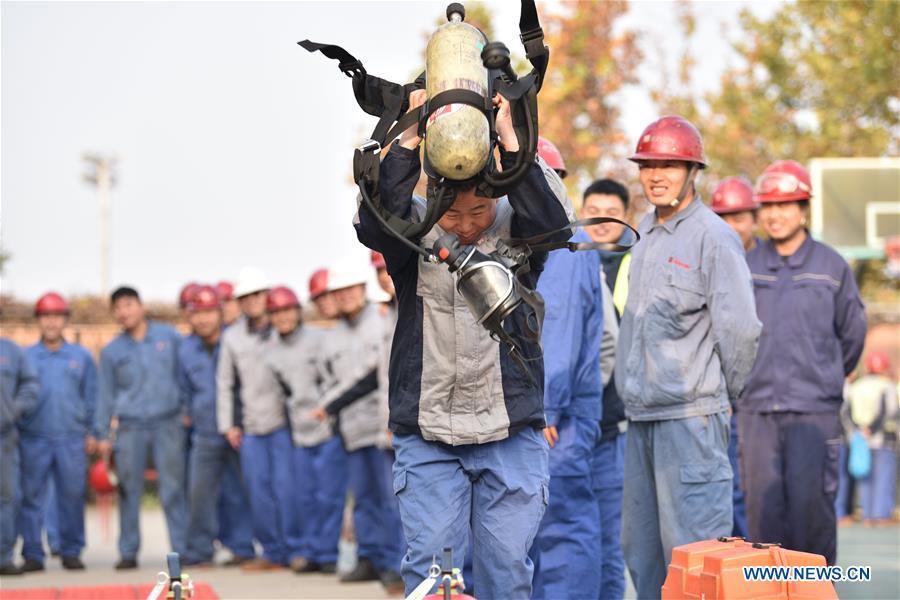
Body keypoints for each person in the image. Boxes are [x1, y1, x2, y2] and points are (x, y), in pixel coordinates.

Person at [355, 87, 573, 598]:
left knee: (507, 573)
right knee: (433, 578)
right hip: (428, 434)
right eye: (454, 215)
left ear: (496, 199)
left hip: (510, 432)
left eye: (480, 212)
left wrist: (509, 139)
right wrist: (407, 137)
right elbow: (375, 221)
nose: (468, 226)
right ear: (433, 200)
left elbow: (553, 223)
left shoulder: (518, 228)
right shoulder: (413, 234)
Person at [615, 116, 761, 598]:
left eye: (670, 165)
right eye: (648, 165)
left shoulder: (713, 237)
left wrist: (715, 398)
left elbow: (740, 332)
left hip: (691, 421)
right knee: (642, 553)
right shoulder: (643, 232)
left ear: (693, 170)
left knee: (697, 558)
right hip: (640, 419)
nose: (656, 174)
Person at [739, 159, 866, 565]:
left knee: (812, 516)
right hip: (756, 411)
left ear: (804, 209)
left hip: (814, 413)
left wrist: (823, 379)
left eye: (786, 205)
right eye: (768, 207)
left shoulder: (832, 266)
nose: (775, 215)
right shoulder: (748, 265)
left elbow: (853, 335)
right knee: (763, 518)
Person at [308, 265, 403, 592]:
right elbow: (325, 379)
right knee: (362, 499)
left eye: (352, 289)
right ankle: (368, 557)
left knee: (389, 499)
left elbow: (379, 374)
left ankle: (394, 564)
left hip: (380, 427)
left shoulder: (380, 320)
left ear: (363, 290)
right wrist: (327, 408)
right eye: (340, 291)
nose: (346, 295)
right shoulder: (328, 338)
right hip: (350, 429)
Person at [530, 226, 605, 597]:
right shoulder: (534, 236)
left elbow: (558, 324)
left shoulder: (562, 240)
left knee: (560, 526)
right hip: (544, 406)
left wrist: (547, 406)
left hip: (556, 413)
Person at [96, 286, 188, 569]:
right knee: (128, 490)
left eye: (129, 304)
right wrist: (102, 435)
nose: (124, 312)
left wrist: (186, 410)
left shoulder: (169, 337)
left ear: (140, 306)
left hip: (168, 423)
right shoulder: (112, 351)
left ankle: (181, 551)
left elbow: (184, 375)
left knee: (172, 488)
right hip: (130, 428)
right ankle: (128, 551)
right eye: (118, 308)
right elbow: (105, 394)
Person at [264, 285, 347, 574]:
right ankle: (310, 552)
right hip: (299, 434)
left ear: (297, 311)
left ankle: (327, 554)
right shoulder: (272, 354)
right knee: (304, 496)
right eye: (276, 313)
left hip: (328, 430)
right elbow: (282, 393)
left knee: (329, 495)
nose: (283, 318)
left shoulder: (319, 339)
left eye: (287, 310)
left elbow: (336, 379)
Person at [216, 266, 293, 571]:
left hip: (285, 425)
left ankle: (293, 550)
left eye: (257, 295)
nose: (252, 302)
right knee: (258, 492)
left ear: (267, 295)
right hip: (251, 427)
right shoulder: (232, 337)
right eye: (245, 297)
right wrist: (228, 425)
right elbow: (224, 383)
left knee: (286, 489)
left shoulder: (283, 328)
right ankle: (271, 552)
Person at [18, 293, 97, 571]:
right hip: (33, 437)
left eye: (57, 316)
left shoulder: (81, 357)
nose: (51, 322)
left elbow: (91, 396)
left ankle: (71, 550)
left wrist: (92, 432)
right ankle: (32, 553)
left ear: (65, 319)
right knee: (31, 498)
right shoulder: (26, 357)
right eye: (46, 316)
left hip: (71, 437)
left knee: (72, 496)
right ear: (38, 321)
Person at [179, 285, 254, 567]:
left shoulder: (235, 341)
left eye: (209, 312)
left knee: (239, 491)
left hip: (237, 429)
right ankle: (199, 550)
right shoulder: (185, 349)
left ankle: (242, 547)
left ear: (219, 313)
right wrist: (187, 412)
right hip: (204, 432)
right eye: (197, 313)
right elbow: (183, 387)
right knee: (199, 493)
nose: (203, 319)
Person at [580, 178, 631, 599]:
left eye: (610, 210)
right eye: (592, 208)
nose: (601, 218)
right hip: (569, 424)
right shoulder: (563, 259)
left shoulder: (637, 264)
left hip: (615, 423)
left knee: (610, 540)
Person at [710, 175, 759, 538]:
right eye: (724, 217)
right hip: (722, 399)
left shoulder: (768, 264)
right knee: (728, 492)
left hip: (765, 399)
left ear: (754, 219)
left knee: (759, 495)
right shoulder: (710, 256)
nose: (732, 226)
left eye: (739, 217)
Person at [0, 337, 39, 576]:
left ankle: (3, 556)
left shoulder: (12, 351)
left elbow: (30, 384)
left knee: (7, 497)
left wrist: (13, 410)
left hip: (4, 437)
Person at [846, 351, 898, 527]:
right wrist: (873, 429)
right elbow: (889, 411)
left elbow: (846, 411)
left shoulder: (856, 386)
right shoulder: (887, 386)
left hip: (860, 439)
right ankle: (881, 515)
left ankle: (868, 515)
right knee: (884, 477)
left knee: (864, 477)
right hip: (883, 438)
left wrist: (859, 430)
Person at [710, 176, 760, 252]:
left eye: (738, 220)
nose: (729, 228)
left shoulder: (776, 258)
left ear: (755, 220)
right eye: (722, 221)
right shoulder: (704, 258)